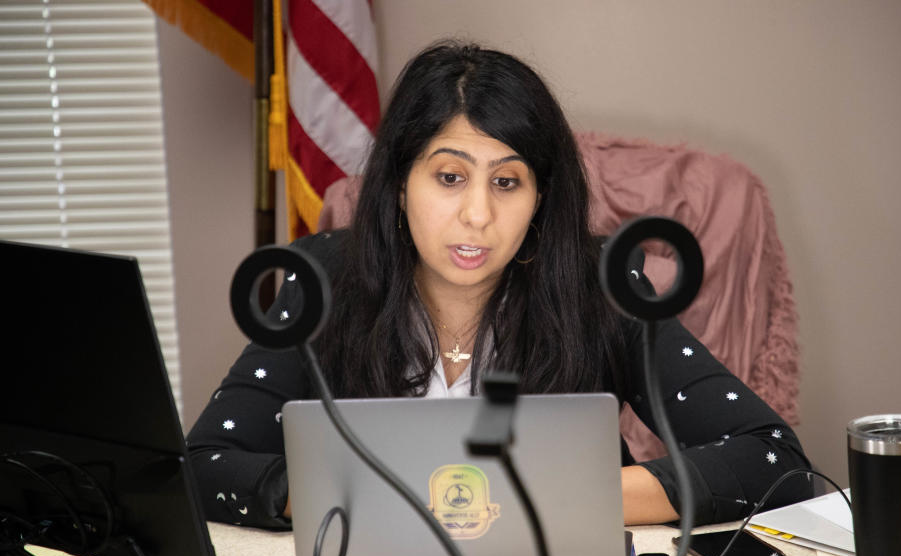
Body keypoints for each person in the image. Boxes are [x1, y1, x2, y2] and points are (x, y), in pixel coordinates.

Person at [187, 41, 812, 531]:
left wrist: (550, 499)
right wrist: (368, 500)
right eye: (450, 177)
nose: (478, 215)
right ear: (401, 184)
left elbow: (770, 460)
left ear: (540, 199)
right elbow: (203, 466)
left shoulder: (599, 286)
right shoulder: (324, 278)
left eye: (508, 182)